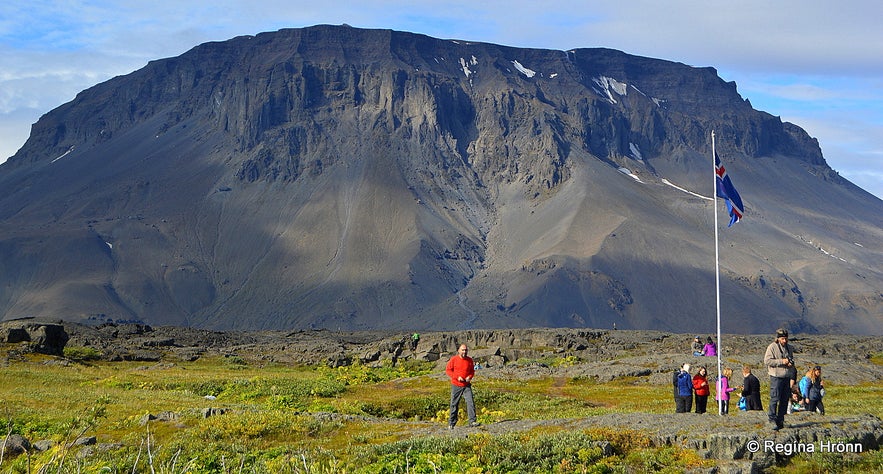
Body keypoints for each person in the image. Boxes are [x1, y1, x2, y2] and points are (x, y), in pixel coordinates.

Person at [764, 328, 796, 430]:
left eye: (786, 339)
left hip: (787, 376)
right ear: (778, 339)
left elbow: (791, 360)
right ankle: (772, 419)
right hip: (776, 377)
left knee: (784, 399)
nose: (784, 341)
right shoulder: (772, 347)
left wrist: (790, 363)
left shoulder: (789, 348)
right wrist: (782, 361)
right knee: (775, 398)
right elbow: (767, 361)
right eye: (782, 339)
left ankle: (780, 420)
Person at [446, 344, 479, 429]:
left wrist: (469, 377)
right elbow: (448, 370)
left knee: (470, 402)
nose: (464, 352)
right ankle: (451, 423)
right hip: (456, 385)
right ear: (459, 350)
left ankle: (472, 421)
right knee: (454, 404)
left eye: (466, 350)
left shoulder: (469, 360)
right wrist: (457, 377)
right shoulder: (454, 359)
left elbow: (472, 371)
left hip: (466, 385)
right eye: (463, 350)